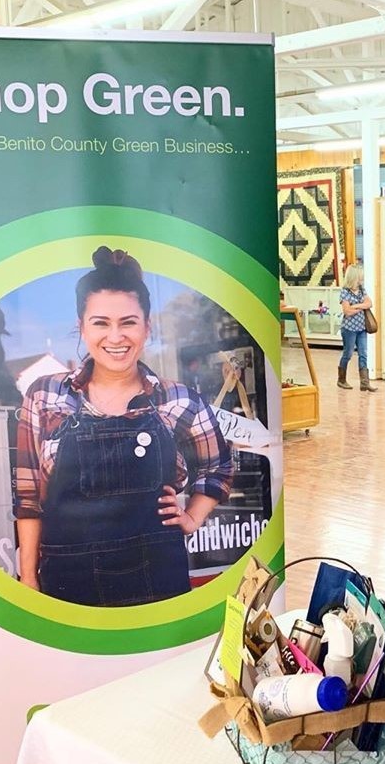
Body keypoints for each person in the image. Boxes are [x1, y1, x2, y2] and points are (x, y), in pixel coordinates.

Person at [13, 246, 233, 606]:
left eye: (128, 322)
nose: (115, 337)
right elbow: (28, 498)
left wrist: (192, 516)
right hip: (66, 584)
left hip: (157, 580)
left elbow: (220, 465)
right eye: (101, 322)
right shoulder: (45, 397)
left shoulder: (176, 401)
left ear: (147, 327)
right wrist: (28, 578)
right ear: (81, 327)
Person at [338, 262, 377, 392]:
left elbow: (369, 303)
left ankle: (364, 383)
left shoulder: (361, 290)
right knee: (348, 354)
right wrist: (361, 306)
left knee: (363, 354)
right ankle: (341, 380)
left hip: (361, 328)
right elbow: (346, 312)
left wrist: (355, 306)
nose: (362, 279)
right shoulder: (344, 292)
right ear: (353, 277)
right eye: (360, 277)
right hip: (348, 329)